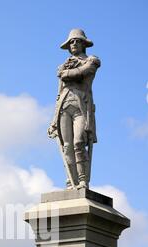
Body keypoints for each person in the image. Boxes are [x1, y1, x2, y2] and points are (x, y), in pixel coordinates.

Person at [48, 29, 101, 189]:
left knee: (79, 142)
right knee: (67, 146)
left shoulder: (91, 60)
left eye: (77, 41)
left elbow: (84, 72)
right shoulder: (63, 66)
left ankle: (83, 180)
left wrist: (66, 74)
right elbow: (59, 94)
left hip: (81, 106)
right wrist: (53, 120)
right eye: (71, 42)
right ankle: (71, 181)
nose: (74, 44)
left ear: (84, 43)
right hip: (64, 106)